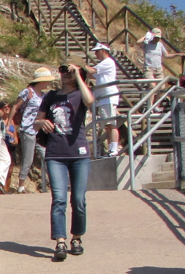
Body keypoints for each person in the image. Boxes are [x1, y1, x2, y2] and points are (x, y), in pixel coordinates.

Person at [35, 61, 94, 261]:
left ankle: (76, 237)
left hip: (79, 154)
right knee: (59, 198)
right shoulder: (51, 96)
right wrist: (41, 122)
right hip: (56, 154)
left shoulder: (80, 94)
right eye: (64, 71)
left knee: (78, 199)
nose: (66, 75)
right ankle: (60, 240)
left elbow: (90, 101)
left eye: (70, 72)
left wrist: (78, 76)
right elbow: (35, 123)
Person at [9, 67, 52, 192]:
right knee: (28, 159)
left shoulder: (43, 95)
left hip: (39, 131)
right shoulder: (28, 92)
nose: (48, 83)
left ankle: (52, 184)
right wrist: (9, 124)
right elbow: (15, 107)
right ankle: (21, 186)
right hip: (27, 129)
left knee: (47, 156)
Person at [91, 43, 121, 157]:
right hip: (103, 98)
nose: (95, 53)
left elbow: (92, 71)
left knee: (111, 124)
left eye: (97, 51)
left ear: (103, 51)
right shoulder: (102, 65)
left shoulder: (108, 62)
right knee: (108, 126)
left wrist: (81, 65)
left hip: (108, 97)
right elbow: (91, 75)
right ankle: (111, 149)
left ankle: (114, 149)